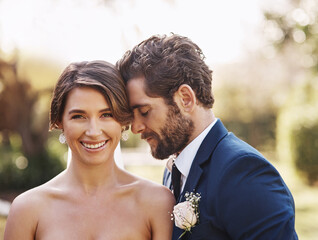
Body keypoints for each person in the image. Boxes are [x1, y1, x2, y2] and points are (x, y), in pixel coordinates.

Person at [117, 34, 298, 239]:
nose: (136, 128)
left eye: (144, 111)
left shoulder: (244, 173)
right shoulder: (174, 171)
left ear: (185, 99)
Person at [4, 60, 175, 240]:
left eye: (106, 115)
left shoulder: (157, 202)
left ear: (123, 121)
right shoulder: (27, 210)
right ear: (60, 121)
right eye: (79, 116)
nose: (93, 131)